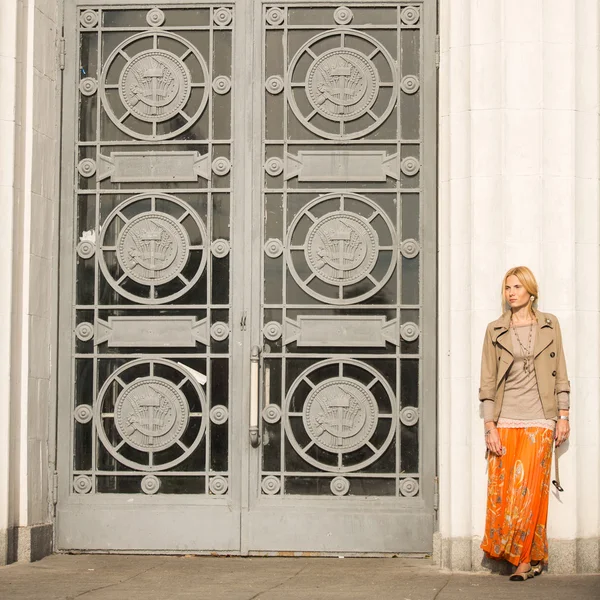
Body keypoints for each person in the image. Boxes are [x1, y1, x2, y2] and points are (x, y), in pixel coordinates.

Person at [478, 266, 571, 580]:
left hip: (540, 419)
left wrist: (563, 417)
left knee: (529, 493)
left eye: (517, 286)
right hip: (505, 419)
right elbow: (487, 380)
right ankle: (527, 558)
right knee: (504, 494)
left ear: (531, 291)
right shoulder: (495, 330)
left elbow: (561, 372)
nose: (511, 293)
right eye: (507, 288)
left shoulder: (549, 325)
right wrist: (489, 426)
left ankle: (522, 561)